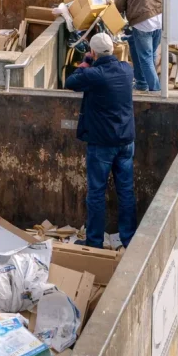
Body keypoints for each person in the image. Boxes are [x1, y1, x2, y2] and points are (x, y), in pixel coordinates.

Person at [65, 32, 137, 249]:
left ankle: (94, 241)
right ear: (113, 49)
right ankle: (129, 238)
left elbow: (70, 81)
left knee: (96, 192)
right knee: (126, 191)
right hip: (126, 140)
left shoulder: (94, 74)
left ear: (94, 52)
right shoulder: (126, 70)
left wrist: (86, 61)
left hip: (102, 144)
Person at [114, 0, 162, 92]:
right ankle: (142, 83)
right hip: (160, 16)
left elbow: (119, 6)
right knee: (151, 53)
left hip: (143, 21)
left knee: (146, 57)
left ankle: (156, 90)